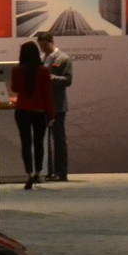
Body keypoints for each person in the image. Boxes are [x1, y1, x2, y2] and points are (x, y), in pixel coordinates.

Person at [10, 40, 55, 190]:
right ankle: (38, 171)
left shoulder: (17, 70)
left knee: (25, 143)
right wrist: (51, 115)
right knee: (38, 143)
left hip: (22, 109)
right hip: (39, 111)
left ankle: (28, 173)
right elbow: (48, 95)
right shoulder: (43, 71)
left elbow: (14, 88)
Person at [37, 31, 74, 179]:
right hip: (42, 104)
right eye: (41, 46)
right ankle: (48, 171)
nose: (43, 49)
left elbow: (68, 80)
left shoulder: (64, 59)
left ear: (52, 42)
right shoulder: (41, 59)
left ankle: (61, 172)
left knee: (58, 139)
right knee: (44, 141)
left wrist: (50, 78)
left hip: (57, 105)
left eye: (45, 46)